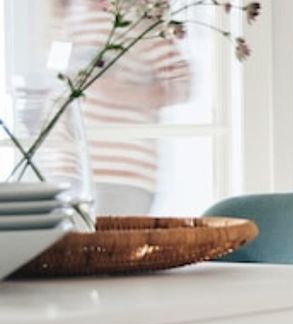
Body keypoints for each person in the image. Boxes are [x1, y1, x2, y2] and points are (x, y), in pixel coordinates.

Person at [55, 0, 192, 215]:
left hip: (123, 173)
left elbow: (181, 86)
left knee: (113, 245)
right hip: (70, 170)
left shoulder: (142, 22)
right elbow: (54, 77)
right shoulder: (73, 18)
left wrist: (120, 92)